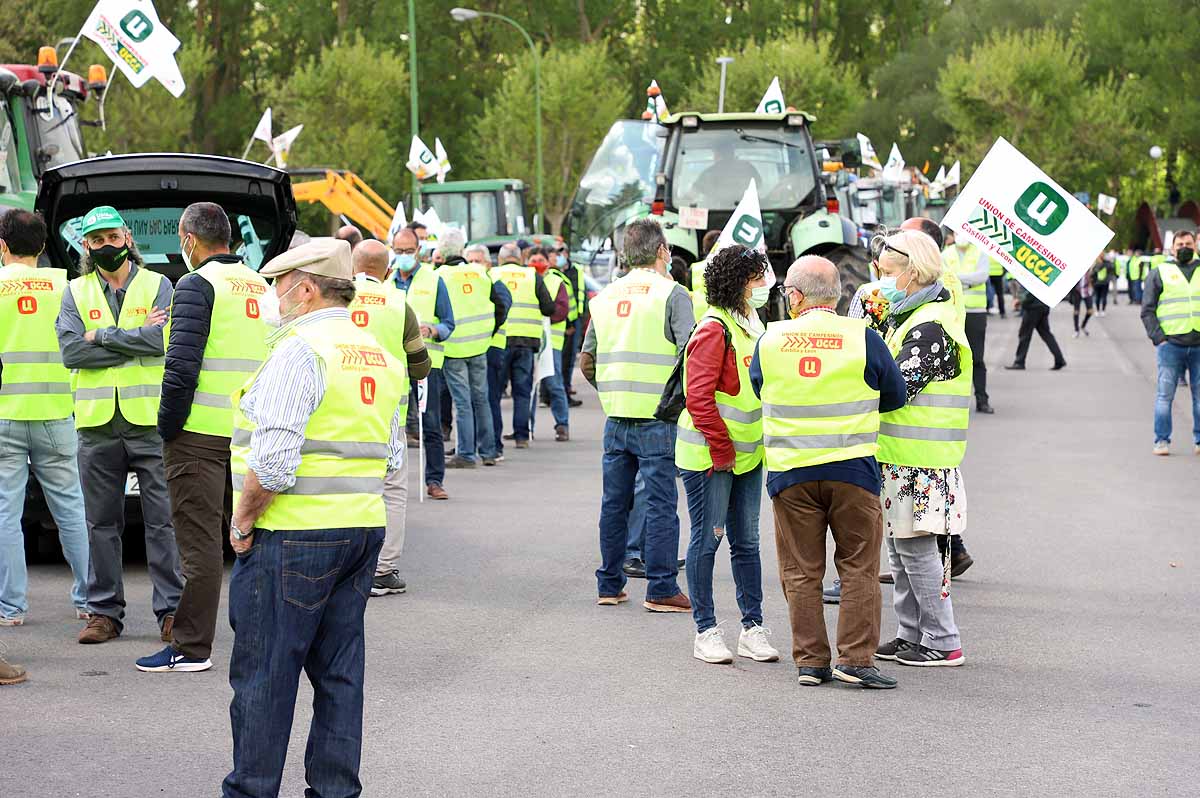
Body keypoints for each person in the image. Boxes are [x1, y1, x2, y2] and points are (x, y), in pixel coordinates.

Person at [222, 237, 406, 798]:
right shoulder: (377, 352)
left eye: (278, 286)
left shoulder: (299, 350)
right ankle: (334, 791)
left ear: (304, 289)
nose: (273, 298)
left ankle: (251, 791)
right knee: (339, 678)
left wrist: (242, 522)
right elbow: (392, 456)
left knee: (264, 679)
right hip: (361, 531)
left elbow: (273, 464)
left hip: (292, 535)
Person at [753, 255, 906, 688]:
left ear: (797, 296)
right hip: (852, 469)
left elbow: (759, 388)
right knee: (858, 565)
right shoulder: (863, 337)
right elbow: (893, 395)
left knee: (801, 570)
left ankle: (811, 662)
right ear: (836, 294)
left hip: (791, 473)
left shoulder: (771, 338)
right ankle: (856, 660)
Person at [136, 203, 268, 673]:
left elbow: (181, 367)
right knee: (255, 539)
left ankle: (191, 647)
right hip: (254, 435)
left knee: (200, 546)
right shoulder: (263, 285)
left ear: (189, 240)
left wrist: (167, 428)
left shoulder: (196, 285)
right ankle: (263, 642)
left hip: (200, 435)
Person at [56, 206, 183, 645]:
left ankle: (171, 612)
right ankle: (104, 614)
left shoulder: (159, 285)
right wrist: (133, 340)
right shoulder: (74, 291)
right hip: (96, 424)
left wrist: (102, 337)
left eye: (112, 237)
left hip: (148, 420)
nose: (106, 246)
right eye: (96, 241)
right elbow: (72, 353)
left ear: (127, 238)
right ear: (86, 247)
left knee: (163, 520)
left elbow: (163, 341)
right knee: (100, 523)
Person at [581, 218, 691, 613]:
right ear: (663, 250)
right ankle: (661, 587)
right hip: (658, 418)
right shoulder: (672, 294)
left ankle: (609, 584)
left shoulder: (605, 296)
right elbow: (690, 357)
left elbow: (587, 360)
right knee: (661, 504)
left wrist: (611, 392)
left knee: (615, 503)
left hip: (616, 417)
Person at [675, 245, 778, 665]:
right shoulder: (713, 329)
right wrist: (722, 450)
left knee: (747, 542)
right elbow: (698, 397)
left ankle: (752, 628)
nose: (764, 286)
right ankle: (706, 630)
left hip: (748, 455)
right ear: (738, 284)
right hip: (711, 456)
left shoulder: (755, 326)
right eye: (757, 279)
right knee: (707, 541)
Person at [874, 229, 970, 667]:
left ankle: (943, 638)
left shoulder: (931, 325)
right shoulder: (913, 316)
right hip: (903, 455)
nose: (881, 279)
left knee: (916, 549)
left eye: (888, 271)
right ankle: (912, 634)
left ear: (912, 273)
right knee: (900, 548)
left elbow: (898, 387)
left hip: (921, 459)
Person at [0, 210, 90, 626]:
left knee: (6, 514)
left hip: (5, 416)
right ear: (41, 246)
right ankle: (90, 599)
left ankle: (11, 607)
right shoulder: (70, 288)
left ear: (2, 246)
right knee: (71, 508)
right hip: (58, 412)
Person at [351, 239, 431, 594]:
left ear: (352, 268)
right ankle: (382, 571)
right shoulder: (399, 303)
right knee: (391, 490)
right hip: (385, 414)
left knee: (341, 486)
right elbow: (420, 366)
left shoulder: (330, 295)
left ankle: (340, 565)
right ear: (387, 271)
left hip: (335, 410)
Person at [391, 227, 454, 499]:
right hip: (392, 365)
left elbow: (449, 323)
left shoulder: (434, 279)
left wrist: (434, 329)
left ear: (418, 250)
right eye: (398, 251)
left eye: (408, 250)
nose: (403, 256)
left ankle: (434, 481)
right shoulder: (385, 284)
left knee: (430, 424)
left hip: (426, 363)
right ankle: (391, 480)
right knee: (392, 424)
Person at [440, 228, 510, 467]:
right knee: (481, 399)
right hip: (480, 345)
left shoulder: (439, 276)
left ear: (441, 252)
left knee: (462, 402)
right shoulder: (480, 273)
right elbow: (500, 305)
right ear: (462, 250)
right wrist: (488, 332)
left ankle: (466, 453)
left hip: (454, 348)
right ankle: (489, 451)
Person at [1141, 228, 1199, 456]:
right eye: (1180, 245)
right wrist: (1159, 339)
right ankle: (1161, 441)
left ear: (1195, 245)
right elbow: (1147, 309)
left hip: (1199, 345)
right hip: (1171, 346)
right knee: (1165, 396)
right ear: (1172, 248)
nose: (1184, 248)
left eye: (1188, 244)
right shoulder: (1160, 272)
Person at [942, 235, 994, 414]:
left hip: (975, 313)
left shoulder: (980, 253)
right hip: (953, 313)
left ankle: (982, 400)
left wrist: (956, 279)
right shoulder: (946, 253)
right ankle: (951, 403)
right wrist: (965, 281)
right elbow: (942, 278)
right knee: (951, 359)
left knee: (977, 358)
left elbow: (981, 276)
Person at [531, 249, 572, 441]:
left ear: (548, 262)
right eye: (533, 260)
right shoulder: (526, 279)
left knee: (554, 384)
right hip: (529, 339)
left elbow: (562, 309)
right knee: (528, 386)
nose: (536, 263)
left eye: (540, 260)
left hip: (551, 342)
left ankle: (562, 425)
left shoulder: (557, 282)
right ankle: (525, 427)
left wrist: (543, 319)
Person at [554, 238, 587, 406]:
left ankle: (565, 390)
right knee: (557, 360)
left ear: (566, 254)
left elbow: (581, 295)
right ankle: (552, 394)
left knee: (567, 361)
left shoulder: (576, 271)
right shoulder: (553, 273)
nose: (559, 256)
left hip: (574, 320)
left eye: (561, 252)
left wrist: (577, 321)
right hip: (560, 322)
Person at [1006, 281, 1067, 371]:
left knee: (1024, 335)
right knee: (1046, 334)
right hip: (1043, 305)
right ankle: (1059, 359)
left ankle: (1019, 362)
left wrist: (1020, 300)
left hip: (1033, 307)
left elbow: (1030, 292)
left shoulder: (1032, 274)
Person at [689, 229, 722, 322]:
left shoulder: (694, 268)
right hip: (717, 314)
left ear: (704, 249)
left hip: (696, 314)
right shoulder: (725, 268)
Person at [1069, 267, 1095, 338]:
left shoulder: (1090, 267)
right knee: (1076, 311)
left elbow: (1093, 277)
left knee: (1090, 311)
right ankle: (1076, 330)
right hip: (1077, 291)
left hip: (1087, 291)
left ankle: (1083, 326)